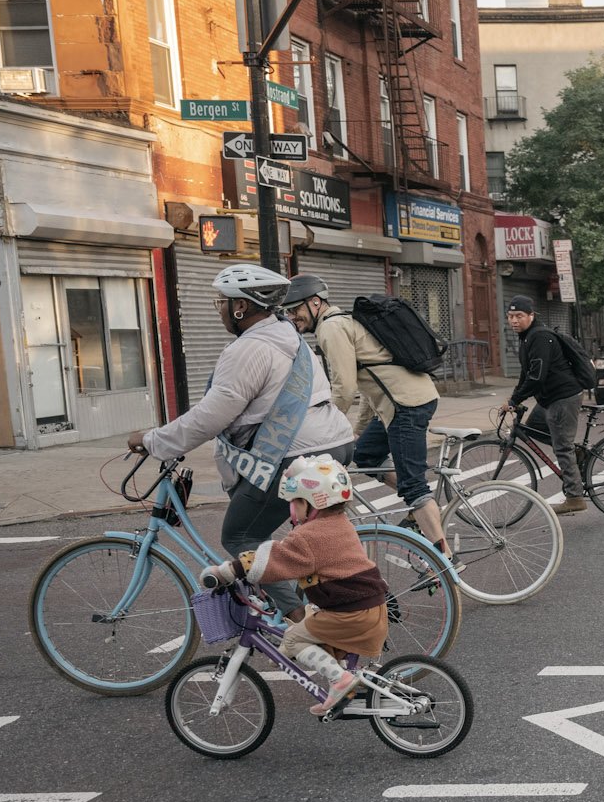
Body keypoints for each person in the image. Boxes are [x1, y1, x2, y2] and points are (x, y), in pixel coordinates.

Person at [130, 264, 353, 618]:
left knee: (240, 536)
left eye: (221, 301)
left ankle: (305, 627)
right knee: (285, 529)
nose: (218, 309)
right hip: (334, 441)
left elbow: (213, 415)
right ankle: (306, 597)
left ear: (241, 307)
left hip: (296, 453)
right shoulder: (289, 337)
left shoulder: (249, 349)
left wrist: (155, 440)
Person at [202, 455, 388, 717]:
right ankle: (342, 681)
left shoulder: (309, 536)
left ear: (311, 502)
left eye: (294, 502)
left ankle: (341, 681)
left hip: (352, 614)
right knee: (312, 624)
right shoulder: (339, 524)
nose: (292, 509)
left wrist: (228, 571)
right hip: (367, 607)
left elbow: (275, 558)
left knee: (293, 638)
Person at [284, 275, 449, 555]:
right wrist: (357, 429)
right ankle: (421, 508)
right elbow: (369, 383)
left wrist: (327, 426)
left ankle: (444, 558)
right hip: (401, 401)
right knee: (365, 455)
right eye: (288, 311)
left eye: (295, 309)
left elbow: (344, 387)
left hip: (406, 405)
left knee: (413, 484)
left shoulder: (331, 328)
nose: (292, 316)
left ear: (315, 302)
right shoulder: (342, 322)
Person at [500, 296, 593, 514]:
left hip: (563, 396)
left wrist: (515, 401)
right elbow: (526, 373)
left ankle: (575, 497)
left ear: (531, 316)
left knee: (561, 447)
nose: (514, 320)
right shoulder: (526, 337)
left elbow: (536, 378)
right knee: (534, 428)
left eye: (519, 316)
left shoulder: (540, 337)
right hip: (549, 398)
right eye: (511, 316)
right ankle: (577, 454)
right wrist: (514, 398)